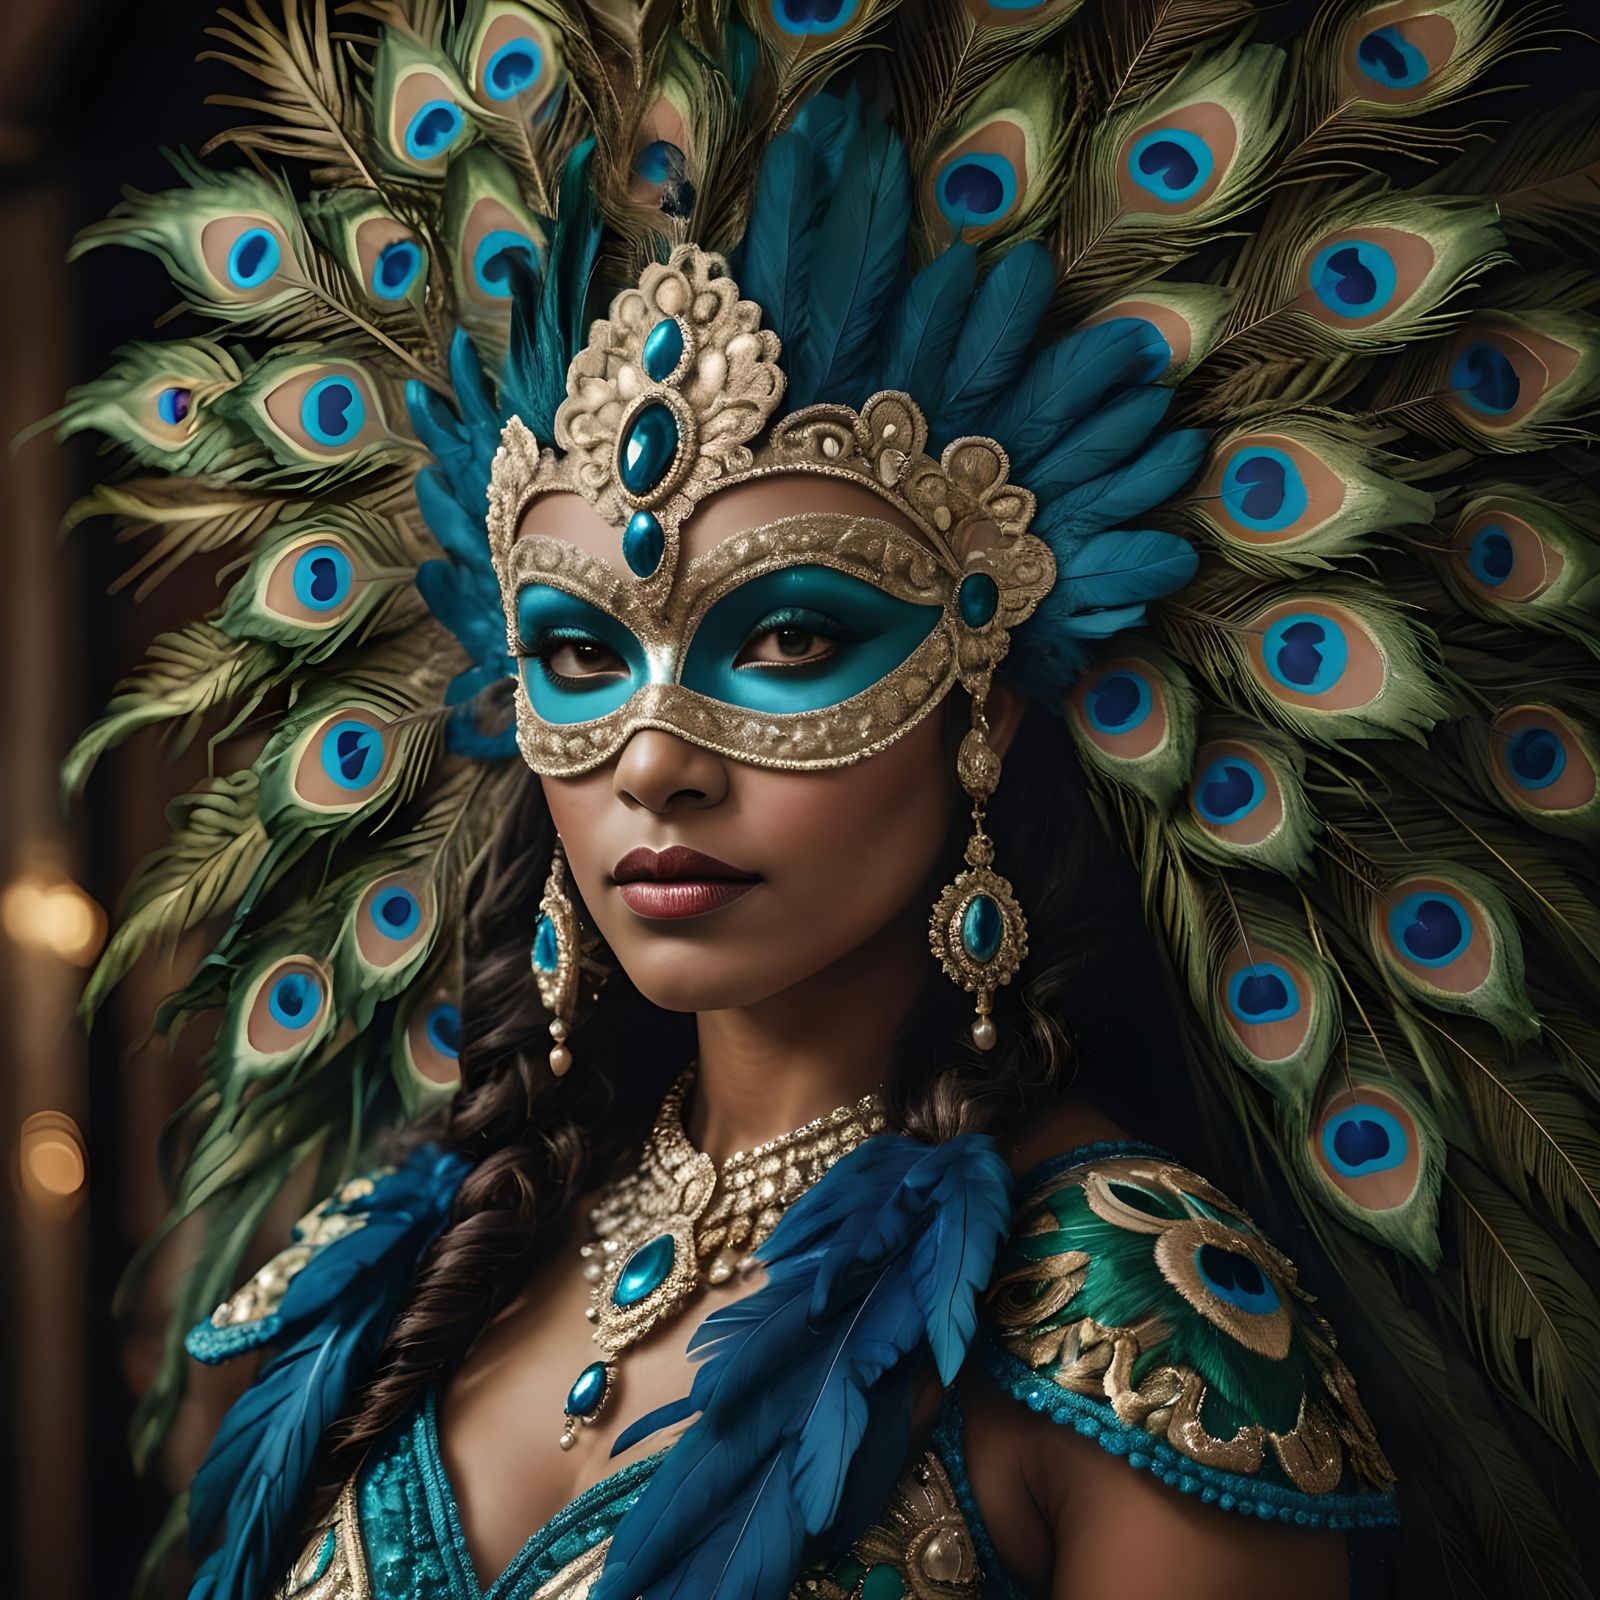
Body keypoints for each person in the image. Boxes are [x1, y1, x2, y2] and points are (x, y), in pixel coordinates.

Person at [59, 1, 1600, 1596]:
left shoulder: (1120, 1316)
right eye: (580, 652)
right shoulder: (426, 1244)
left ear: (983, 709)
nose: (653, 760)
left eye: (789, 637)